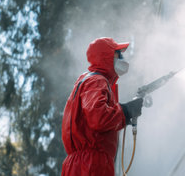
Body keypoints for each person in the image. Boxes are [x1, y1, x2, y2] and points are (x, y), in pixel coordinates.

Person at [61, 37, 143, 176]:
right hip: (92, 165)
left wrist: (123, 114)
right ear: (107, 55)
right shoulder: (97, 80)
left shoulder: (87, 80)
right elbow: (98, 118)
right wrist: (126, 112)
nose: (122, 57)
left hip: (80, 165)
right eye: (118, 53)